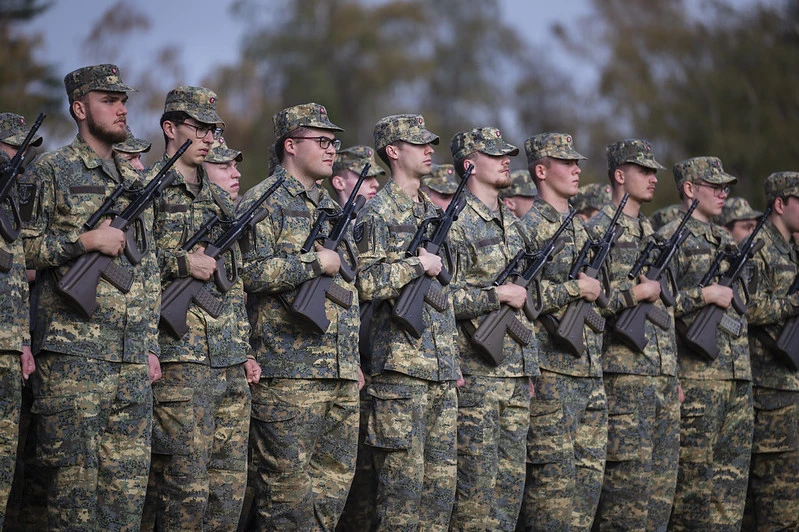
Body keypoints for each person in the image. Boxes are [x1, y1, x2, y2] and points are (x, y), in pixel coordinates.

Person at [19, 63, 160, 530]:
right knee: (73, 504)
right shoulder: (52, 171)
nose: (122, 109)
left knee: (125, 505)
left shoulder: (137, 178)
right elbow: (22, 250)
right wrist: (83, 242)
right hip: (74, 359)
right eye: (109, 101)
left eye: (124, 100)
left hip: (130, 362)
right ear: (80, 109)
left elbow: (150, 267)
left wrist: (150, 345)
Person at [238, 102, 362, 530]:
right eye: (321, 141)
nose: (331, 150)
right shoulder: (262, 200)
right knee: (286, 502)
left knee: (329, 499)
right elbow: (247, 272)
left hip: (340, 373)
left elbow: (351, 285)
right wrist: (311, 263)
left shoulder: (330, 206)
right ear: (291, 145)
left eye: (334, 142)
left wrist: (354, 364)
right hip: (289, 375)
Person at [140, 86, 257, 530]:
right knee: (183, 494)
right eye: (200, 126)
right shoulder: (147, 188)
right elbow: (130, 262)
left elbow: (236, 283)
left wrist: (244, 349)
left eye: (214, 127)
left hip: (228, 360)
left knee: (227, 493)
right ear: (170, 128)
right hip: (179, 358)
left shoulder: (223, 202)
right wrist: (181, 262)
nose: (209, 135)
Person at [348, 114, 460, 530]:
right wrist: (416, 265)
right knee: (400, 505)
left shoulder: (434, 212)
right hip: (400, 374)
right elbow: (366, 281)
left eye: (430, 142)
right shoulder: (376, 213)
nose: (430, 148)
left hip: (441, 373)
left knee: (437, 504)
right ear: (393, 151)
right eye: (418, 143)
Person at [448, 127, 538, 530]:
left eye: (507, 154)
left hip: (516, 378)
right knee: (475, 502)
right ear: (469, 165)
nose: (506, 161)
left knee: (508, 499)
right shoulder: (454, 222)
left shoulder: (513, 223)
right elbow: (440, 300)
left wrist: (529, 367)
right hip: (478, 379)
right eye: (495, 155)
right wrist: (495, 295)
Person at [589, 139, 680, 531]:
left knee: (658, 505)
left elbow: (668, 311)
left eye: (654, 171)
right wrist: (634, 294)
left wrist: (672, 374)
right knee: (625, 505)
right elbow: (589, 304)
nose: (653, 178)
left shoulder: (651, 231)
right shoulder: (598, 231)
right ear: (619, 175)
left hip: (661, 378)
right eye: (644, 171)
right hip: (625, 378)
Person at [657, 156, 753, 530]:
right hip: (697, 381)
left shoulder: (726, 240)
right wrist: (703, 295)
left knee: (730, 495)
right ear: (690, 189)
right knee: (692, 497)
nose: (723, 193)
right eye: (714, 186)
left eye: (725, 186)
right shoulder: (669, 238)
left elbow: (740, 311)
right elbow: (661, 306)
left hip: (736, 378)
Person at [517, 132, 606, 531]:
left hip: (589, 373)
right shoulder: (529, 227)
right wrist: (575, 288)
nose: (576, 169)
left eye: (577, 162)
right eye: (566, 163)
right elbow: (525, 296)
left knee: (583, 502)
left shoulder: (580, 228)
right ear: (541, 170)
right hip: (552, 375)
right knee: (551, 499)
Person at [332, 143, 384, 532]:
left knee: (365, 473)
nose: (373, 186)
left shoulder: (370, 225)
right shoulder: (333, 225)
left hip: (370, 361)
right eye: (364, 178)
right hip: (341, 361)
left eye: (377, 179)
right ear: (339, 181)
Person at [743, 172, 799, 531]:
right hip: (771, 392)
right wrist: (791, 304)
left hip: (791, 388)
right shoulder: (757, 247)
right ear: (780, 204)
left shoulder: (791, 248)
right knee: (776, 512)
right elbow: (743, 307)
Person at [0, 112, 40, 528]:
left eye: (23, 149)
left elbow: (21, 272)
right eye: (12, 147)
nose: (19, 157)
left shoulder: (15, 197)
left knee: (7, 466)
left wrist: (25, 343)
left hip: (11, 344)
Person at [203, 136, 244, 201]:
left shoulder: (243, 206)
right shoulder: (186, 208)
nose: (237, 174)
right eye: (224, 167)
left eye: (235, 166)